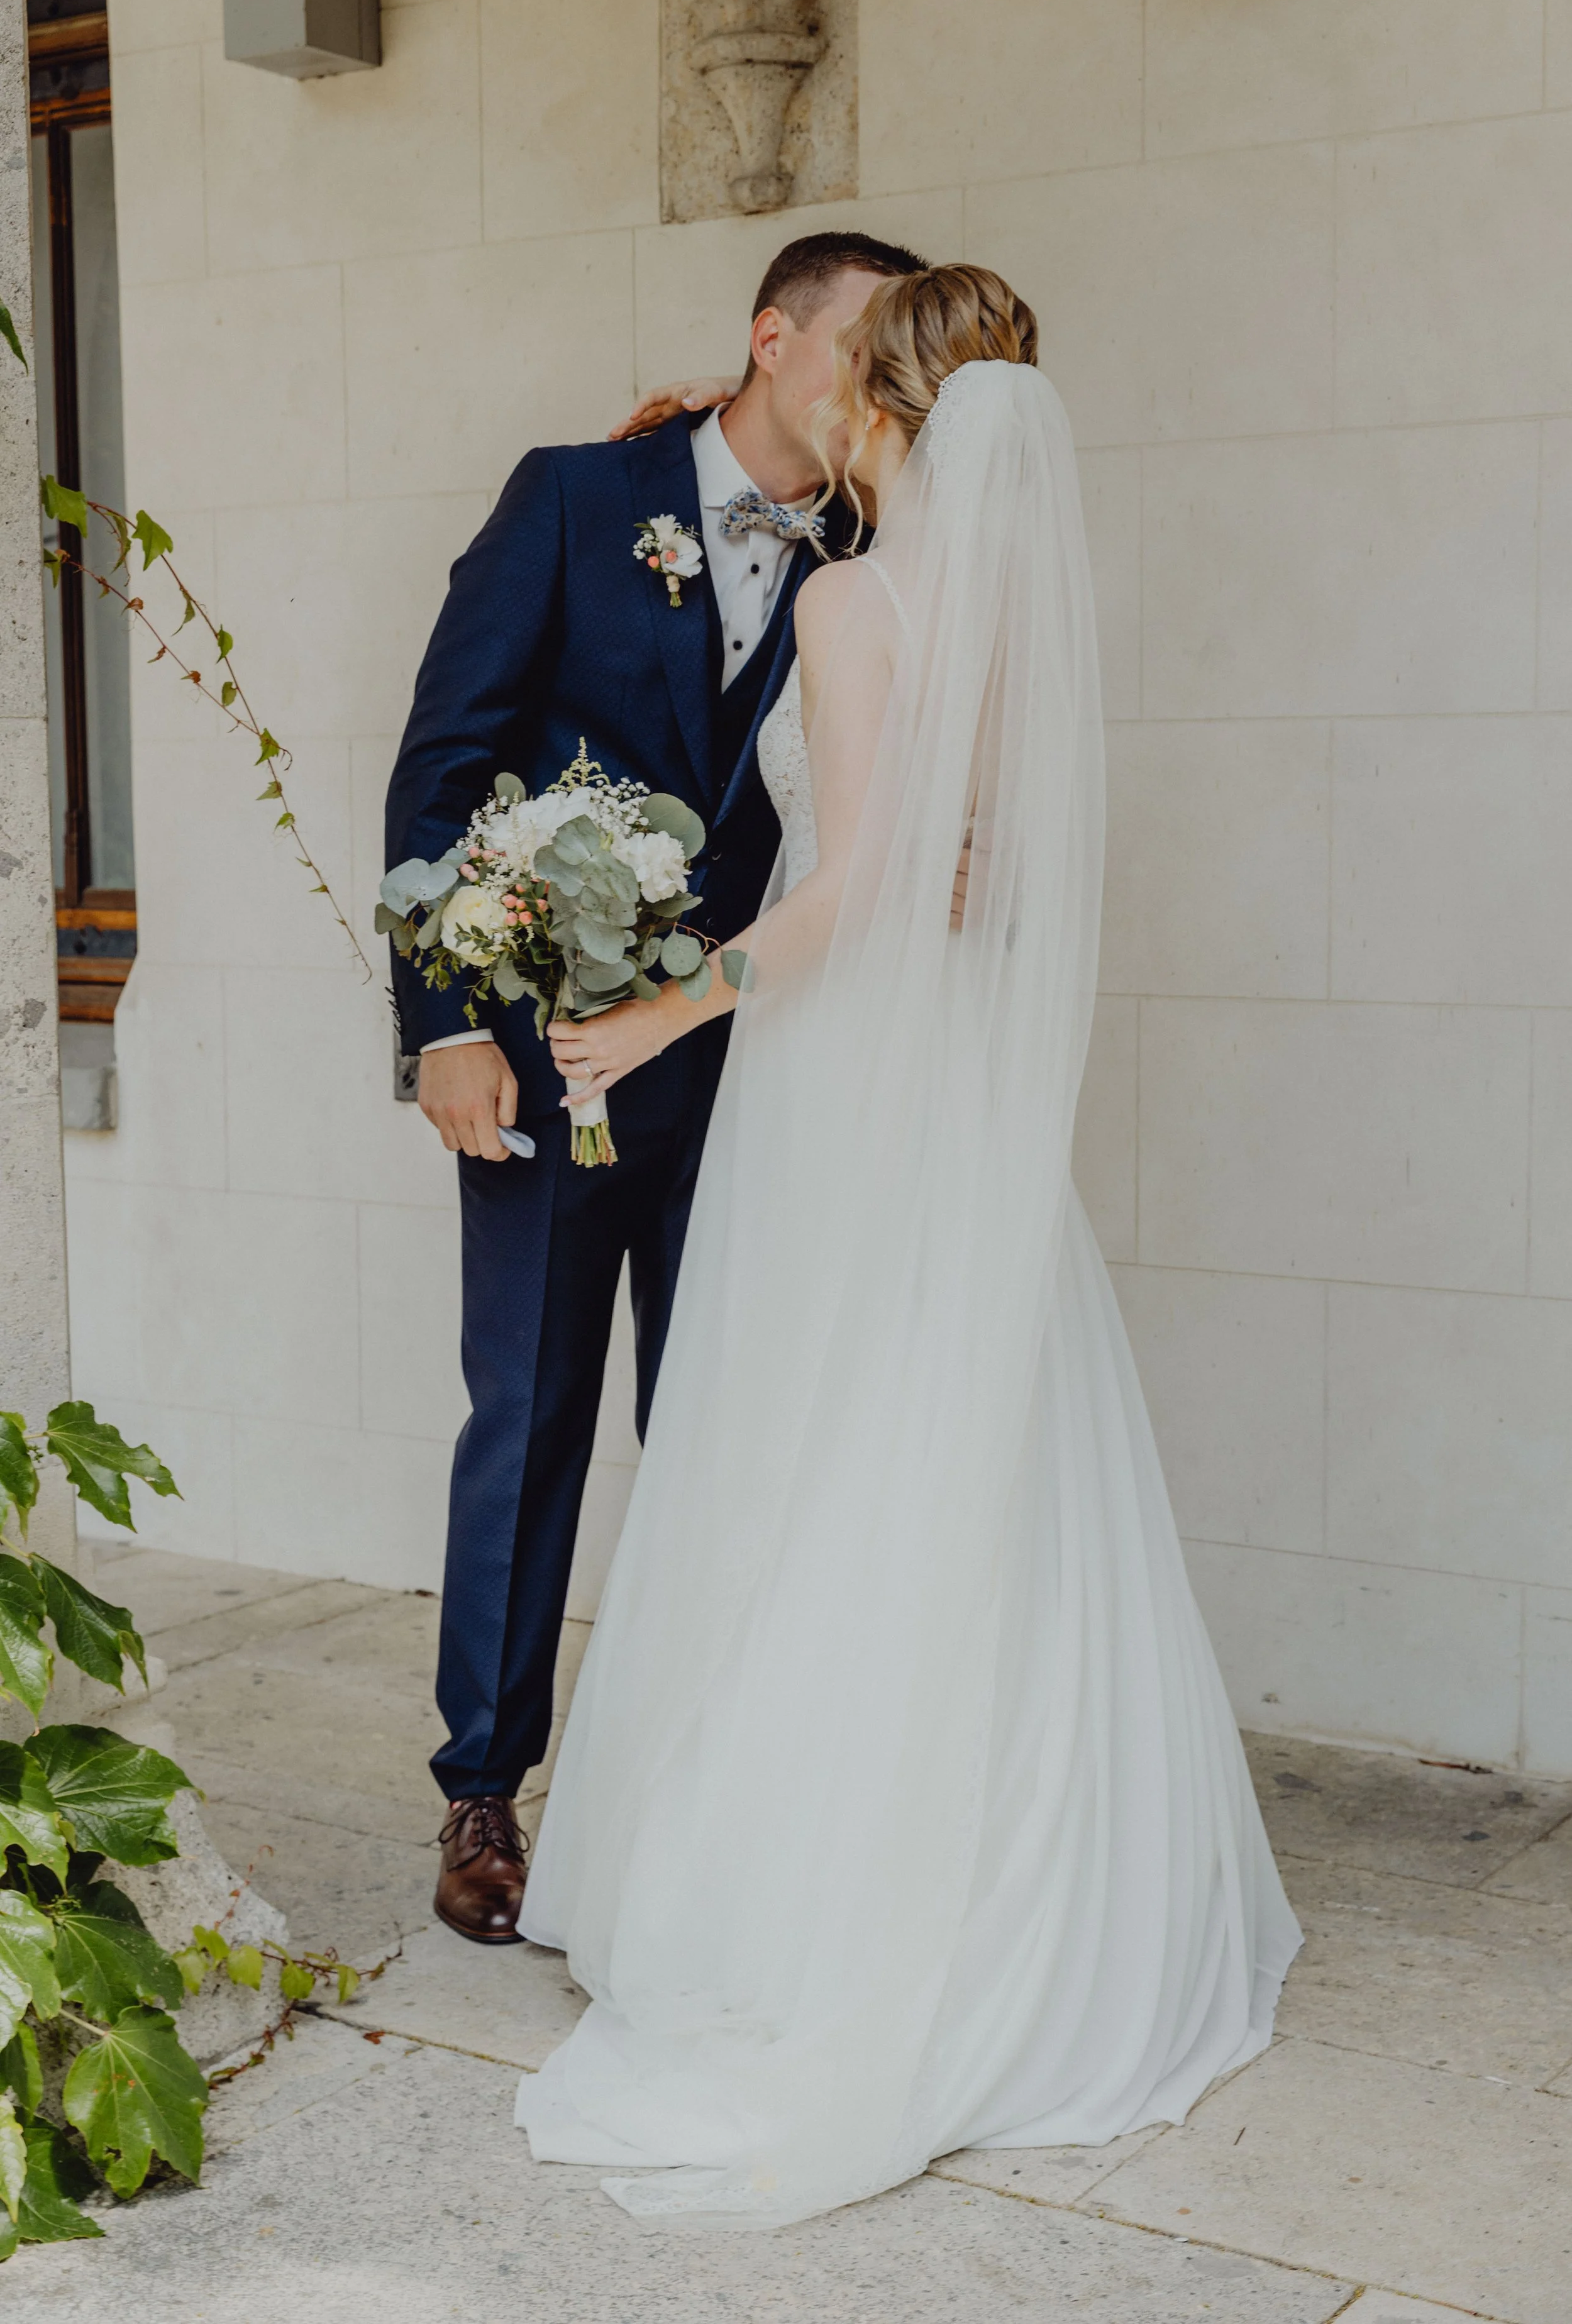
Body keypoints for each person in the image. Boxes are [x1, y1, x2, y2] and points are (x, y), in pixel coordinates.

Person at [514, 265, 1302, 2229]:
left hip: (845, 1080)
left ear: (874, 407)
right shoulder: (1016, 615)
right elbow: (962, 865)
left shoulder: (861, 603)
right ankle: (1046, 1894)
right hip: (953, 1096)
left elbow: (851, 891)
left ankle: (828, 1910)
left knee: (823, 1460)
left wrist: (658, 1007)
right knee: (967, 1458)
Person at [384, 230, 927, 1944]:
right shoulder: (569, 495)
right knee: (529, 1418)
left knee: (718, 1431)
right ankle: (483, 1789)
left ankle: (696, 1786)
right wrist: (441, 1024)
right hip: (548, 1057)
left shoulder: (867, 548)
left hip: (752, 1075)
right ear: (771, 337)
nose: (877, 388)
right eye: (859, 350)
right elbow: (442, 762)